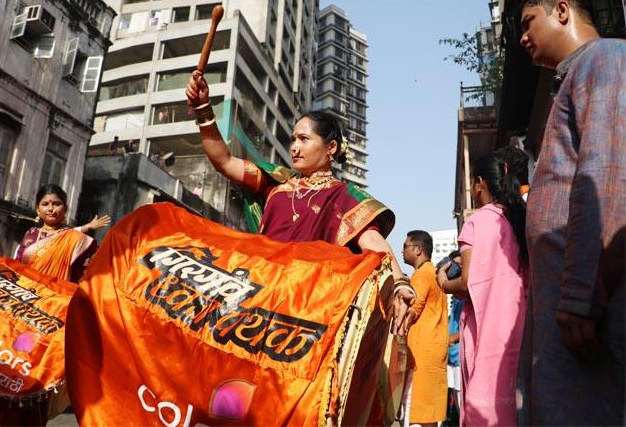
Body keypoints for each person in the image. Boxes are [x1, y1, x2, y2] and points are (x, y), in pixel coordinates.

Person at [186, 70, 415, 335]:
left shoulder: (344, 197)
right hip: (256, 298)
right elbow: (224, 161)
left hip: (306, 315)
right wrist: (203, 109)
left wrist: (400, 283)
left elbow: (374, 244)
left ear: (330, 148)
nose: (294, 147)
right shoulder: (277, 181)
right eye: (293, 139)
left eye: (304, 139)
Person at [518, 0, 626, 425]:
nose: (523, 38)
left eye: (528, 23)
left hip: (592, 307)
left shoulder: (604, 57)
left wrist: (582, 294)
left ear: (562, 11)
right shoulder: (576, 76)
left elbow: (605, 175)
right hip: (572, 305)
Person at [0, 184, 110, 426]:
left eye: (57, 203)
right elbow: (14, 272)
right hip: (17, 314)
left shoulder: (80, 242)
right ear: (38, 209)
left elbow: (88, 281)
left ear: (65, 207)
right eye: (46, 204)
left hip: (51, 321)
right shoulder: (29, 237)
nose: (51, 208)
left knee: (38, 383)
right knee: (2, 373)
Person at [436, 153, 527, 427]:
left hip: (487, 329)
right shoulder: (521, 218)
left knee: (485, 404)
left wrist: (442, 281)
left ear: (480, 183)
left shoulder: (476, 222)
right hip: (522, 328)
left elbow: (467, 281)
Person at [401, 230, 448, 427]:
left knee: (415, 413)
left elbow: (411, 311)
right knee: (429, 415)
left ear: (418, 250)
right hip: (434, 351)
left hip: (421, 354)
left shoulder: (421, 276)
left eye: (405, 247)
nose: (401, 251)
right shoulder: (434, 273)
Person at [445, 250, 463, 426]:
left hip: (461, 357)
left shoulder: (465, 293)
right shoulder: (457, 297)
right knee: (457, 406)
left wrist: (453, 338)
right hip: (453, 357)